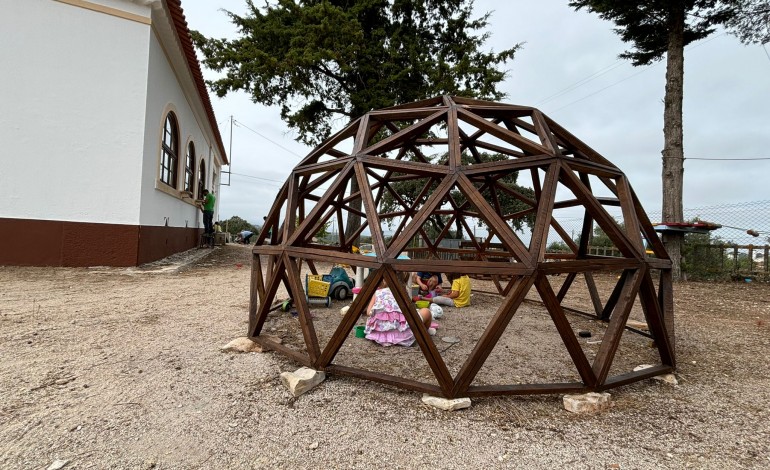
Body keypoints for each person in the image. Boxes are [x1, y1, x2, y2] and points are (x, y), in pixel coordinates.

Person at [364, 276, 433, 347]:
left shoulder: (377, 293)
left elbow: (369, 312)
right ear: (404, 282)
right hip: (403, 335)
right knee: (426, 312)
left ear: (384, 280)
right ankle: (424, 332)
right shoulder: (402, 292)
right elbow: (408, 312)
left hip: (379, 334)